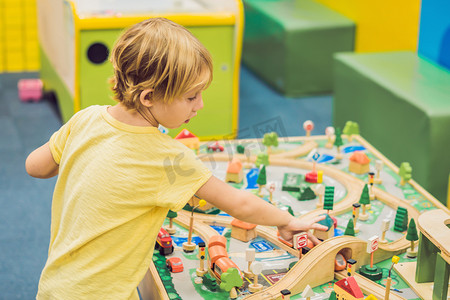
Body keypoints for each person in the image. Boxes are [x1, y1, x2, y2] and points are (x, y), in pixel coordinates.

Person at [26, 18, 327, 299]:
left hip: (56, 285)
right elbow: (239, 204)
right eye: (191, 97)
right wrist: (287, 221)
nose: (200, 105)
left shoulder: (86, 118)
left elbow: (35, 166)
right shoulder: (167, 158)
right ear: (148, 97)